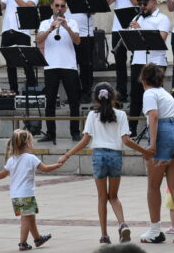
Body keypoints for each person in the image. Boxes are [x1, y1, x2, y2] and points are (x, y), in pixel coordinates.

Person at [58, 82, 152, 245]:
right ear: (113, 96)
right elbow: (126, 140)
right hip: (115, 155)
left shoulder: (92, 116)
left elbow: (85, 140)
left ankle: (104, 235)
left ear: (95, 98)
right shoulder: (121, 114)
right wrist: (145, 152)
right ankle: (122, 224)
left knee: (102, 197)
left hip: (99, 155)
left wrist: (67, 155)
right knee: (114, 196)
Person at [137, 63, 174, 244]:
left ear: (143, 79)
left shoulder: (149, 93)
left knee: (153, 186)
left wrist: (152, 144)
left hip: (163, 131)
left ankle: (155, 230)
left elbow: (153, 116)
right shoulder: (165, 93)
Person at [0, 129, 57, 251]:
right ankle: (22, 243)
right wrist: (57, 165)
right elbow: (45, 169)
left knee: (30, 216)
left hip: (15, 195)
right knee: (26, 219)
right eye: (31, 142)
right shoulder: (31, 158)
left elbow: (2, 174)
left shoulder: (12, 159)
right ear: (27, 143)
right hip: (26, 193)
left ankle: (38, 239)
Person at [37, 0, 82, 143]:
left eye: (62, 6)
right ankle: (51, 133)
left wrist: (66, 27)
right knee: (50, 101)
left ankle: (75, 132)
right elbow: (38, 40)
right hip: (51, 66)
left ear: (66, 8)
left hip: (69, 65)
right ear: (52, 6)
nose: (59, 8)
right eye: (57, 5)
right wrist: (51, 28)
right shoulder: (45, 23)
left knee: (74, 101)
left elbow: (77, 41)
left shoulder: (72, 22)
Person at [128, 0, 171, 137]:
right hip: (138, 61)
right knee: (135, 96)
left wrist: (140, 30)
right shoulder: (137, 17)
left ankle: (157, 129)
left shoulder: (162, 18)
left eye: (145, 3)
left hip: (155, 63)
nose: (142, 6)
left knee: (155, 97)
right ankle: (131, 129)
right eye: (140, 3)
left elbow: (160, 40)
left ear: (154, 2)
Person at [105, 0, 147, 102]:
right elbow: (106, 3)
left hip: (134, 29)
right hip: (118, 29)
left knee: (137, 62)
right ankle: (121, 93)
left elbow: (136, 2)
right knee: (119, 63)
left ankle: (137, 91)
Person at [0, 0, 40, 93]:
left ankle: (32, 89)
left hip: (22, 31)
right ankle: (13, 91)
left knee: (26, 62)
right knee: (10, 64)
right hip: (7, 30)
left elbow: (28, 7)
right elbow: (0, 7)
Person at [61, 0, 97, 103]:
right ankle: (73, 94)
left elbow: (93, 10)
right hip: (68, 35)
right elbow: (58, 11)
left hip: (85, 34)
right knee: (71, 66)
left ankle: (86, 93)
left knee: (86, 65)